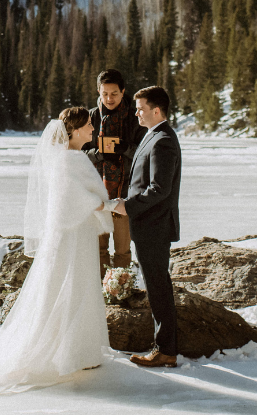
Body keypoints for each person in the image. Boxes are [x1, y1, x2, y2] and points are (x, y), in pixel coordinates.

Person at [0, 107, 112, 395]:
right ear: (72, 132)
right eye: (87, 125)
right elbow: (73, 199)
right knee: (70, 285)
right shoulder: (70, 160)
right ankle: (68, 353)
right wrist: (107, 206)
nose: (92, 130)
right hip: (72, 236)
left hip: (73, 233)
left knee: (71, 285)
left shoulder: (67, 158)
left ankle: (76, 351)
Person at [109, 86, 181, 368]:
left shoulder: (163, 140)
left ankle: (165, 350)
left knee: (158, 287)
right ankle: (165, 347)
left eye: (140, 108)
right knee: (156, 285)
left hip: (155, 226)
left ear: (157, 110)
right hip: (149, 225)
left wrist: (127, 206)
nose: (136, 112)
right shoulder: (153, 136)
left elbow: (159, 189)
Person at [83, 69, 146, 277]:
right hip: (97, 191)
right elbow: (78, 153)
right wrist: (98, 154)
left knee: (122, 249)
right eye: (105, 94)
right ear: (98, 92)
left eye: (114, 94)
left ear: (123, 91)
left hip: (125, 192)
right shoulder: (91, 116)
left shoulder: (135, 118)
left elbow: (145, 155)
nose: (109, 99)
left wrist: (125, 148)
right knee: (98, 248)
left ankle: (120, 291)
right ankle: (100, 293)